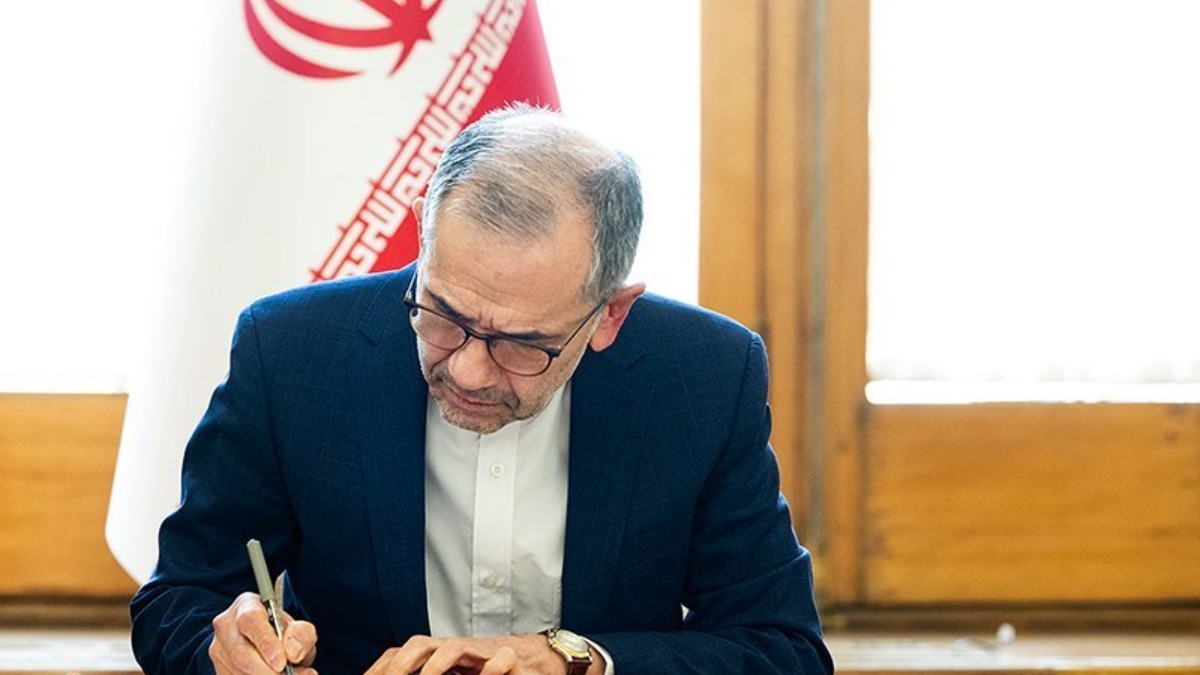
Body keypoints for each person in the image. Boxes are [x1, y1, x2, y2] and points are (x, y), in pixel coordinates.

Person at [130, 105, 833, 675]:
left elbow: (781, 647)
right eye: (442, 314)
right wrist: (226, 650)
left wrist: (578, 659)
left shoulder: (704, 375)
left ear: (609, 315)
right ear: (423, 232)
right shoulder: (291, 351)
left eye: (522, 344)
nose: (466, 370)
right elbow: (180, 599)